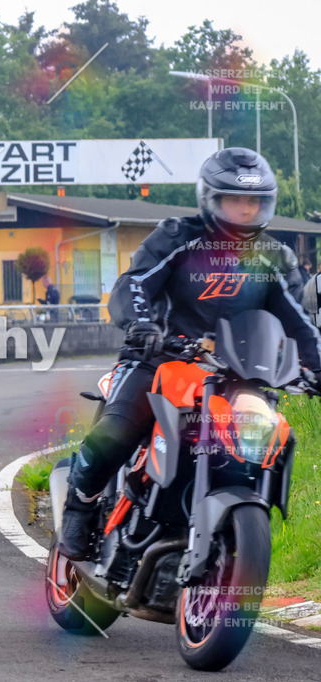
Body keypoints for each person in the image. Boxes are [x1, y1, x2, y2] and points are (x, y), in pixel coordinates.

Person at [58, 147, 321, 561]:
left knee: (268, 440)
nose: (245, 209)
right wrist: (143, 325)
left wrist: (316, 365)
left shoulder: (273, 257)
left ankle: (233, 533)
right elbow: (134, 285)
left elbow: (298, 322)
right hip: (161, 359)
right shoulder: (178, 237)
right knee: (119, 430)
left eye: (254, 201)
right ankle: (81, 500)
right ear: (211, 199)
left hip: (237, 376)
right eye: (235, 199)